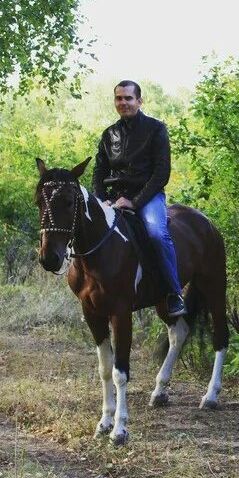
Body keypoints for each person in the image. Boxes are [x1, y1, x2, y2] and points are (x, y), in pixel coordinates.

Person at [93, 80, 186, 317]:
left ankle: (174, 294)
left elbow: (161, 173)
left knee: (156, 232)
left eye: (128, 98)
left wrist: (134, 202)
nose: (123, 103)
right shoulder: (108, 134)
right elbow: (99, 172)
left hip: (147, 197)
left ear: (139, 101)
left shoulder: (156, 129)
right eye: (119, 98)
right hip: (113, 199)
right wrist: (101, 199)